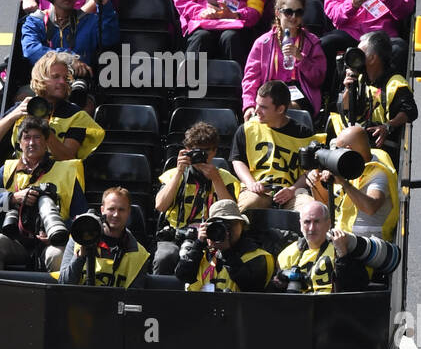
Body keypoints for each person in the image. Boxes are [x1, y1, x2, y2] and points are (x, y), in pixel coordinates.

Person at [0, 118, 86, 274]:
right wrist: (13, 198)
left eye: (37, 137)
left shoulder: (67, 171)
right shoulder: (8, 169)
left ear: (47, 141)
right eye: (26, 138)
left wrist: (59, 232)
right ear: (20, 143)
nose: (31, 143)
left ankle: (59, 298)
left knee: (58, 256)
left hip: (54, 243)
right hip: (17, 240)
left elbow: (81, 216)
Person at [0, 52, 105, 162]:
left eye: (65, 78)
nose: (62, 82)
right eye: (55, 77)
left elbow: (67, 159)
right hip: (22, 181)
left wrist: (44, 129)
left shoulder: (76, 115)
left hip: (57, 183)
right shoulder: (24, 108)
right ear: (41, 79)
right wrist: (12, 116)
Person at [153, 120, 239, 274]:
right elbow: (160, 206)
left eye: (205, 152)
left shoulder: (225, 178)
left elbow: (231, 212)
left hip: (212, 235)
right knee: (164, 257)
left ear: (214, 151)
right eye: (195, 151)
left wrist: (216, 179)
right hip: (176, 234)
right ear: (187, 150)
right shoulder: (173, 175)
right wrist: (179, 172)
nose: (200, 156)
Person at [273, 200, 399, 293]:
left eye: (317, 222)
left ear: (328, 224)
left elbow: (357, 287)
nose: (311, 228)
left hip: (334, 312)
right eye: (307, 222)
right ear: (300, 224)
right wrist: (279, 283)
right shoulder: (288, 254)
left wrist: (343, 257)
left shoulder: (342, 245)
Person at [230, 80, 315, 213]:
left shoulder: (303, 134)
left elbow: (310, 171)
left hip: (292, 192)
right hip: (257, 189)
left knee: (309, 209)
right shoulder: (246, 129)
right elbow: (237, 160)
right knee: (249, 205)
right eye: (257, 104)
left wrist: (293, 190)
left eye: (263, 107)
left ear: (280, 109)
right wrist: (251, 183)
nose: (256, 110)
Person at [242, 0, 326, 122]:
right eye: (288, 12)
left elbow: (318, 79)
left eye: (298, 12)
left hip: (299, 93)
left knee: (285, 109)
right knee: (268, 110)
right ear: (277, 13)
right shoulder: (263, 42)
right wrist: (249, 105)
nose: (293, 17)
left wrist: (301, 59)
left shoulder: (312, 42)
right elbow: (250, 78)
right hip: (270, 92)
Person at [307, 124, 399, 243]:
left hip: (367, 244)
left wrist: (344, 184)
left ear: (348, 150)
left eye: (338, 149)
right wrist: (316, 183)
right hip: (339, 237)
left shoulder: (378, 173)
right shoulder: (347, 167)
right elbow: (325, 205)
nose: (335, 153)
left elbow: (371, 207)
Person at [21, 0, 119, 74]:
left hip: (82, 85)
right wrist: (67, 58)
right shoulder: (35, 21)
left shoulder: (89, 21)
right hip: (44, 86)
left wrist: (105, 7)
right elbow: (31, 51)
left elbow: (109, 40)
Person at [338, 30, 417, 152]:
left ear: (373, 58)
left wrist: (388, 126)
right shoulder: (359, 77)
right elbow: (346, 111)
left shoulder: (395, 83)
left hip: (380, 147)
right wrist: (348, 89)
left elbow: (410, 111)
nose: (355, 57)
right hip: (357, 139)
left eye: (359, 53)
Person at [174, 199, 274, 293]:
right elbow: (182, 275)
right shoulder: (203, 252)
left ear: (242, 225)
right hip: (203, 307)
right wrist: (199, 244)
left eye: (230, 224)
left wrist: (227, 252)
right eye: (218, 226)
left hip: (239, 309)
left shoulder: (257, 256)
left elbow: (252, 288)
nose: (226, 231)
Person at [59, 186, 149, 288]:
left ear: (129, 212)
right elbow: (63, 284)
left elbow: (134, 299)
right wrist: (80, 257)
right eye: (111, 209)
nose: (116, 214)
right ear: (102, 210)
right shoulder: (77, 240)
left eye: (121, 210)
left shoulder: (140, 255)